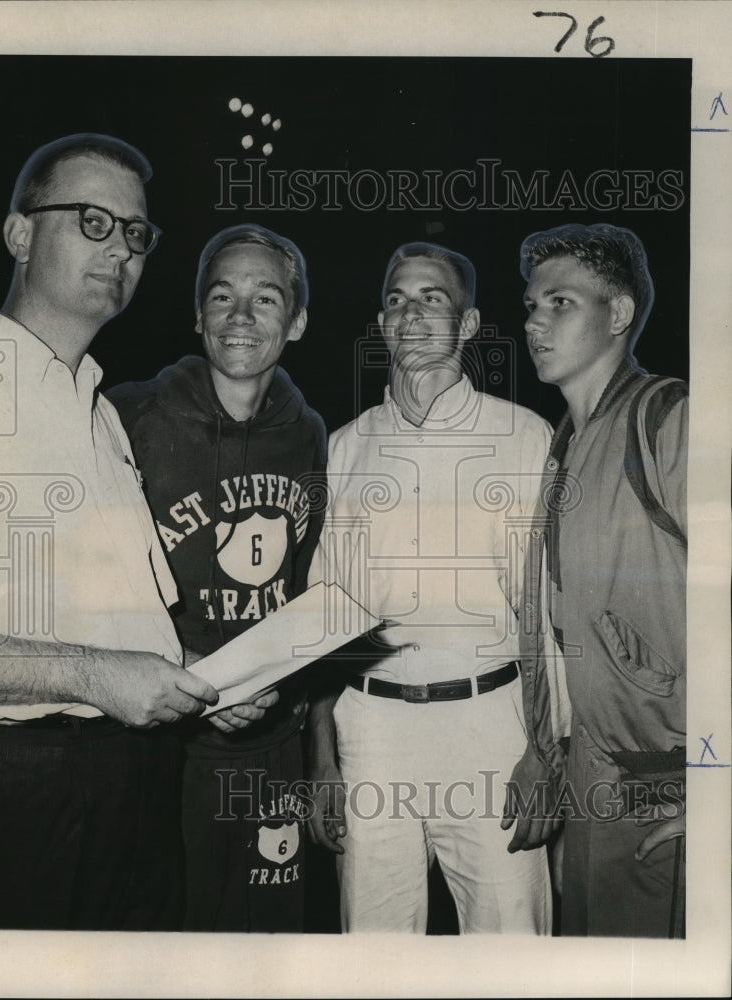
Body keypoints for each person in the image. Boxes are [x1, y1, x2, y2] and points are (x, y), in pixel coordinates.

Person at [0, 133, 228, 930]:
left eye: (134, 232)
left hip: (132, 780)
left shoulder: (102, 411)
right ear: (19, 235)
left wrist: (196, 677)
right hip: (15, 786)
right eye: (90, 220)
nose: (118, 246)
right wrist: (92, 676)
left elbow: (109, 620)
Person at [307, 241, 562, 933]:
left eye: (432, 298)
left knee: (511, 951)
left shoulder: (524, 437)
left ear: (470, 323)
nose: (410, 312)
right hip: (372, 730)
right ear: (381, 323)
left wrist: (544, 751)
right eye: (396, 298)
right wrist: (324, 758)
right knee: (374, 956)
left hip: (490, 726)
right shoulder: (345, 446)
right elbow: (327, 615)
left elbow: (546, 619)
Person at [107, 224, 327, 932]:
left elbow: (306, 589)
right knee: (168, 936)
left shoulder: (308, 434)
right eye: (222, 296)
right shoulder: (126, 415)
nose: (240, 316)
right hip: (158, 742)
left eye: (265, 299)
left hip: (267, 743)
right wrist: (189, 669)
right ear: (196, 314)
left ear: (295, 323)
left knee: (267, 935)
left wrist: (284, 686)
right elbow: (87, 589)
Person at [506, 222, 687, 937]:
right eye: (529, 305)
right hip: (591, 781)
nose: (532, 322)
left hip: (661, 783)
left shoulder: (666, 420)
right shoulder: (563, 447)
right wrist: (544, 751)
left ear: (617, 315)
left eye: (559, 303)